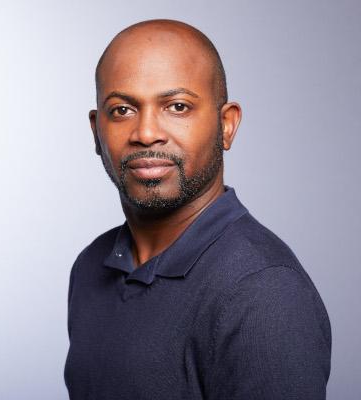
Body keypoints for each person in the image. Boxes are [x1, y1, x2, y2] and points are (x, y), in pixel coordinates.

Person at [64, 18, 331, 400]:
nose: (146, 133)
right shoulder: (91, 266)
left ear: (226, 125)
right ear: (96, 131)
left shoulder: (264, 293)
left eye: (177, 106)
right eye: (122, 110)